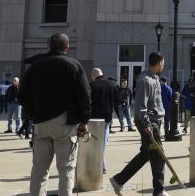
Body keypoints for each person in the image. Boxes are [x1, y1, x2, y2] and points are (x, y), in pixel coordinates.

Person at [18, 33, 91, 196]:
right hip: (65, 122)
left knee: (39, 169)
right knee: (66, 169)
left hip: (40, 123)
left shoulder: (35, 66)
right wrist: (84, 120)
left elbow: (22, 95)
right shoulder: (73, 65)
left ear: (49, 46)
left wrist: (32, 113)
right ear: (67, 48)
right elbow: (84, 95)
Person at [109, 53, 169, 196]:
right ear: (160, 62)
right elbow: (140, 106)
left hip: (154, 120)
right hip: (149, 122)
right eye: (163, 62)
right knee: (158, 155)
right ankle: (159, 190)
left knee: (147, 154)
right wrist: (147, 124)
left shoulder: (155, 78)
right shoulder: (145, 80)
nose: (164, 65)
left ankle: (118, 180)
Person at [90, 68, 118, 174]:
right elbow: (117, 102)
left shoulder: (92, 85)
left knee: (95, 143)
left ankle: (101, 165)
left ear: (94, 75)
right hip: (107, 118)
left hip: (94, 118)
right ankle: (102, 165)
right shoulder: (112, 85)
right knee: (103, 143)